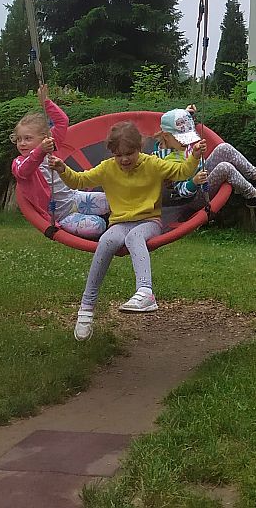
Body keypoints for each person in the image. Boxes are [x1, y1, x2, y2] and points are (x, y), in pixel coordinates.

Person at [50, 110, 201, 340]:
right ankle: (86, 308)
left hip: (149, 221)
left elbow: (182, 172)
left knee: (134, 237)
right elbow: (79, 180)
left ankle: (145, 292)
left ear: (139, 148)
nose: (124, 160)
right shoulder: (107, 168)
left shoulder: (153, 164)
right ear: (112, 153)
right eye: (118, 155)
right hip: (119, 223)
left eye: (129, 153)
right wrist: (63, 169)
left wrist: (195, 157)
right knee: (106, 240)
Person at [10, 85, 110, 239]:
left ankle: (122, 223)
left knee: (112, 200)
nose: (22, 143)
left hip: (74, 198)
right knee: (97, 226)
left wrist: (46, 102)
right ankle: (98, 223)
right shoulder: (19, 162)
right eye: (18, 139)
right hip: (62, 215)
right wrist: (40, 150)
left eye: (28, 138)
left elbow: (62, 121)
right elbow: (24, 171)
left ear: (44, 137)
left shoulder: (51, 147)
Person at [168, 104, 256, 208]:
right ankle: (253, 196)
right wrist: (193, 182)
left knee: (224, 148)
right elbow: (182, 192)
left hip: (201, 175)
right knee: (225, 167)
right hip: (193, 198)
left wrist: (188, 114)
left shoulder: (180, 143)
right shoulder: (170, 158)